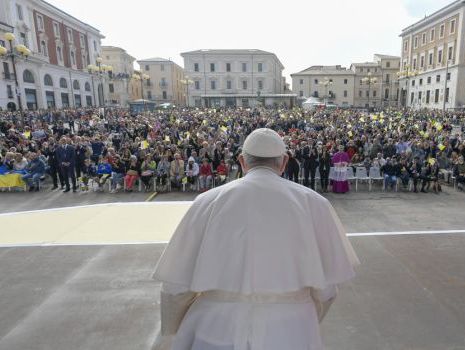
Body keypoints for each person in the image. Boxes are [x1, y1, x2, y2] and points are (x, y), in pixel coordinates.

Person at [152, 128, 358, 350]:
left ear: (241, 161)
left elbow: (176, 287)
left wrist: (175, 331)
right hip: (292, 331)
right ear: (284, 162)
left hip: (217, 327)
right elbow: (327, 288)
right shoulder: (314, 203)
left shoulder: (207, 201)